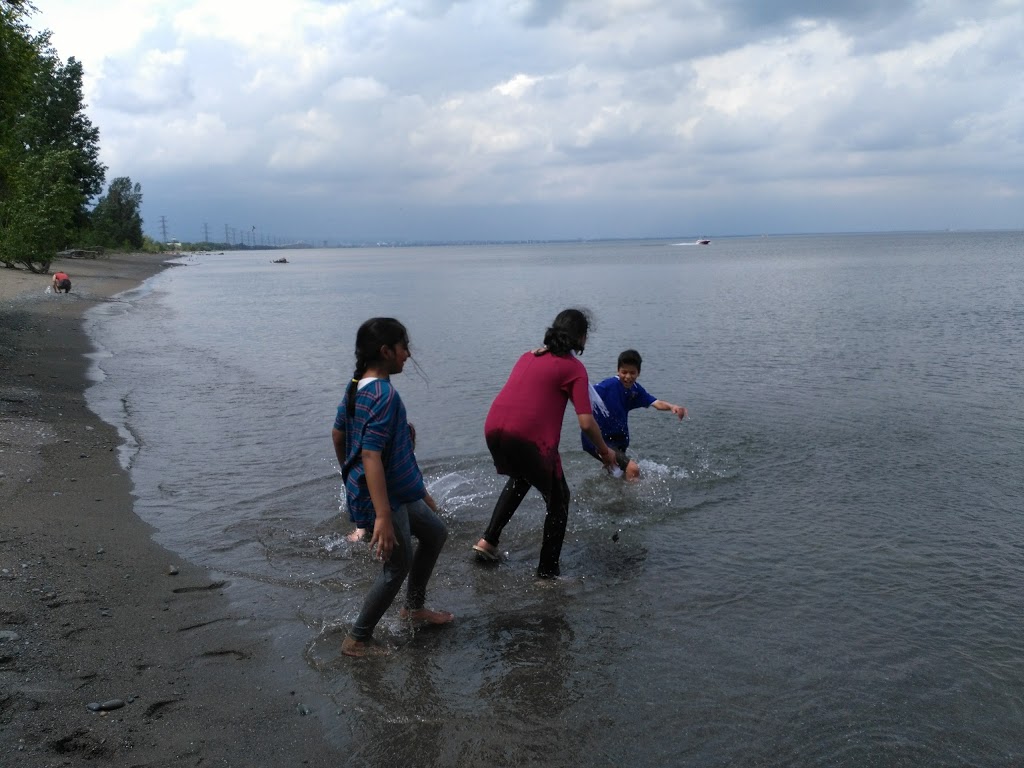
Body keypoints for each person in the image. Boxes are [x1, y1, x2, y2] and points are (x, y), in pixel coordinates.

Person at [331, 317, 453, 657]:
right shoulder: (384, 395)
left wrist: (349, 475)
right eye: (403, 348)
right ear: (386, 351)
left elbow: (338, 435)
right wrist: (382, 515)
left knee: (435, 533)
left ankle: (413, 609)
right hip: (382, 497)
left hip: (390, 491)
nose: (408, 355)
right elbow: (370, 453)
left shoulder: (356, 386)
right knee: (398, 564)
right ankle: (358, 639)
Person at [473, 308, 618, 579]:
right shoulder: (573, 368)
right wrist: (605, 451)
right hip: (529, 439)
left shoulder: (528, 355)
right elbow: (586, 422)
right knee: (560, 499)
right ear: (582, 337)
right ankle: (548, 573)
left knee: (522, 477)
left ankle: (488, 541)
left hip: (493, 429)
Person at [581, 349, 688, 481]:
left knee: (618, 473)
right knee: (633, 469)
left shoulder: (635, 390)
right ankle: (630, 500)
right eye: (624, 372)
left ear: (638, 373)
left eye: (632, 373)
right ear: (618, 370)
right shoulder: (607, 386)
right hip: (598, 440)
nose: (627, 377)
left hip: (617, 440)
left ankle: (613, 494)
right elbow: (584, 394)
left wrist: (672, 406)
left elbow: (656, 403)